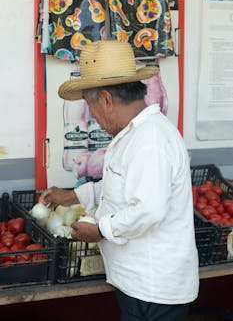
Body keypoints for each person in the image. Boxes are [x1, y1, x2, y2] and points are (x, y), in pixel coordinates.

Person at [39, 40, 199, 321]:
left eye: (90, 107)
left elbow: (148, 210)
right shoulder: (134, 135)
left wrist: (99, 230)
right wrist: (72, 196)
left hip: (153, 289)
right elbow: (122, 187)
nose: (94, 118)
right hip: (139, 284)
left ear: (106, 100)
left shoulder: (150, 140)